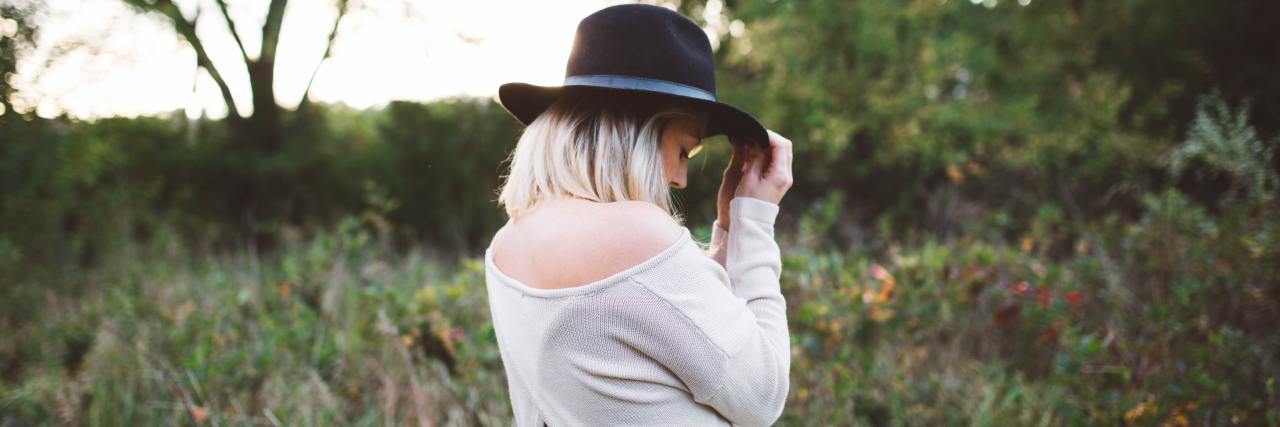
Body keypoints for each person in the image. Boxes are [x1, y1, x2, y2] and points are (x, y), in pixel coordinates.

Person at [484, 4, 793, 426]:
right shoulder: (637, 234)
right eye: (684, 149)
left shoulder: (508, 244)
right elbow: (762, 395)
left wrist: (729, 230)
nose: (682, 178)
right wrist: (755, 221)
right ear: (638, 133)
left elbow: (674, 331)